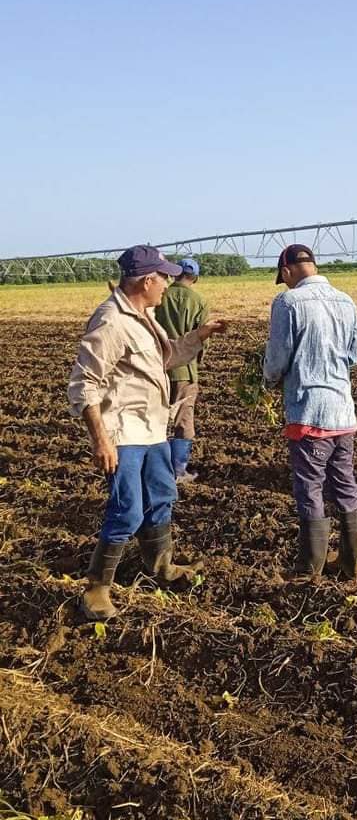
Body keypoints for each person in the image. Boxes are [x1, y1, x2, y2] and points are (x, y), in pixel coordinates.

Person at [68, 245, 227, 621]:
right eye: (165, 278)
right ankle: (95, 590)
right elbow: (83, 384)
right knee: (127, 509)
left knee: (161, 496)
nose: (168, 285)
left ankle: (161, 568)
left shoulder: (144, 315)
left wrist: (201, 335)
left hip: (153, 428)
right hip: (124, 433)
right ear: (147, 280)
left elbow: (167, 358)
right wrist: (100, 439)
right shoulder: (111, 321)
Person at [263, 244, 357, 580]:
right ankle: (351, 562)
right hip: (342, 412)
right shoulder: (346, 300)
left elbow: (277, 360)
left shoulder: (288, 302)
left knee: (310, 487)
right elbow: (353, 356)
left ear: (288, 270)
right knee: (346, 484)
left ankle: (310, 567)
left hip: (308, 411)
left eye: (284, 278)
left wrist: (267, 380)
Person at [154, 257, 209, 483]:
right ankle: (178, 471)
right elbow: (202, 338)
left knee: (156, 418)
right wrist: (198, 359)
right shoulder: (199, 300)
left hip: (155, 366)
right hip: (184, 370)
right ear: (195, 277)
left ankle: (155, 467)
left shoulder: (160, 295)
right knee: (183, 420)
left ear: (175, 274)